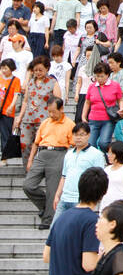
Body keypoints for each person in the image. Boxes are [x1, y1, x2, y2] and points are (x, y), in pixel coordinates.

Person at [23, 97, 74, 229]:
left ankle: (48, 219)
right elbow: (35, 142)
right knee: (28, 185)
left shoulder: (69, 124)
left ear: (61, 109)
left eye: (54, 111)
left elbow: (73, 145)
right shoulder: (45, 122)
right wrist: (30, 160)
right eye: (49, 111)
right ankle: (46, 207)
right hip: (42, 153)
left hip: (59, 153)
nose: (51, 114)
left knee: (52, 189)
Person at [100, 140, 123, 211]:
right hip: (105, 205)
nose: (109, 155)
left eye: (111, 153)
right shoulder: (107, 170)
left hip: (121, 206)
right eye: (108, 153)